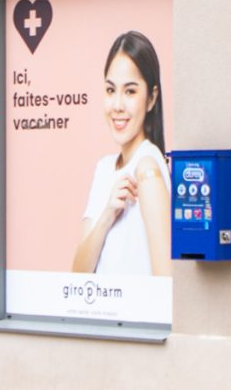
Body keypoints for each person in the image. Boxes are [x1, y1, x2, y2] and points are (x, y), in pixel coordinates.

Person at [72, 31, 170, 278]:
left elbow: (165, 281)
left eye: (130, 92)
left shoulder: (147, 167)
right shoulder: (104, 168)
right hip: (98, 305)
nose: (117, 105)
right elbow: (78, 274)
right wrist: (108, 214)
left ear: (151, 98)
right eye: (110, 90)